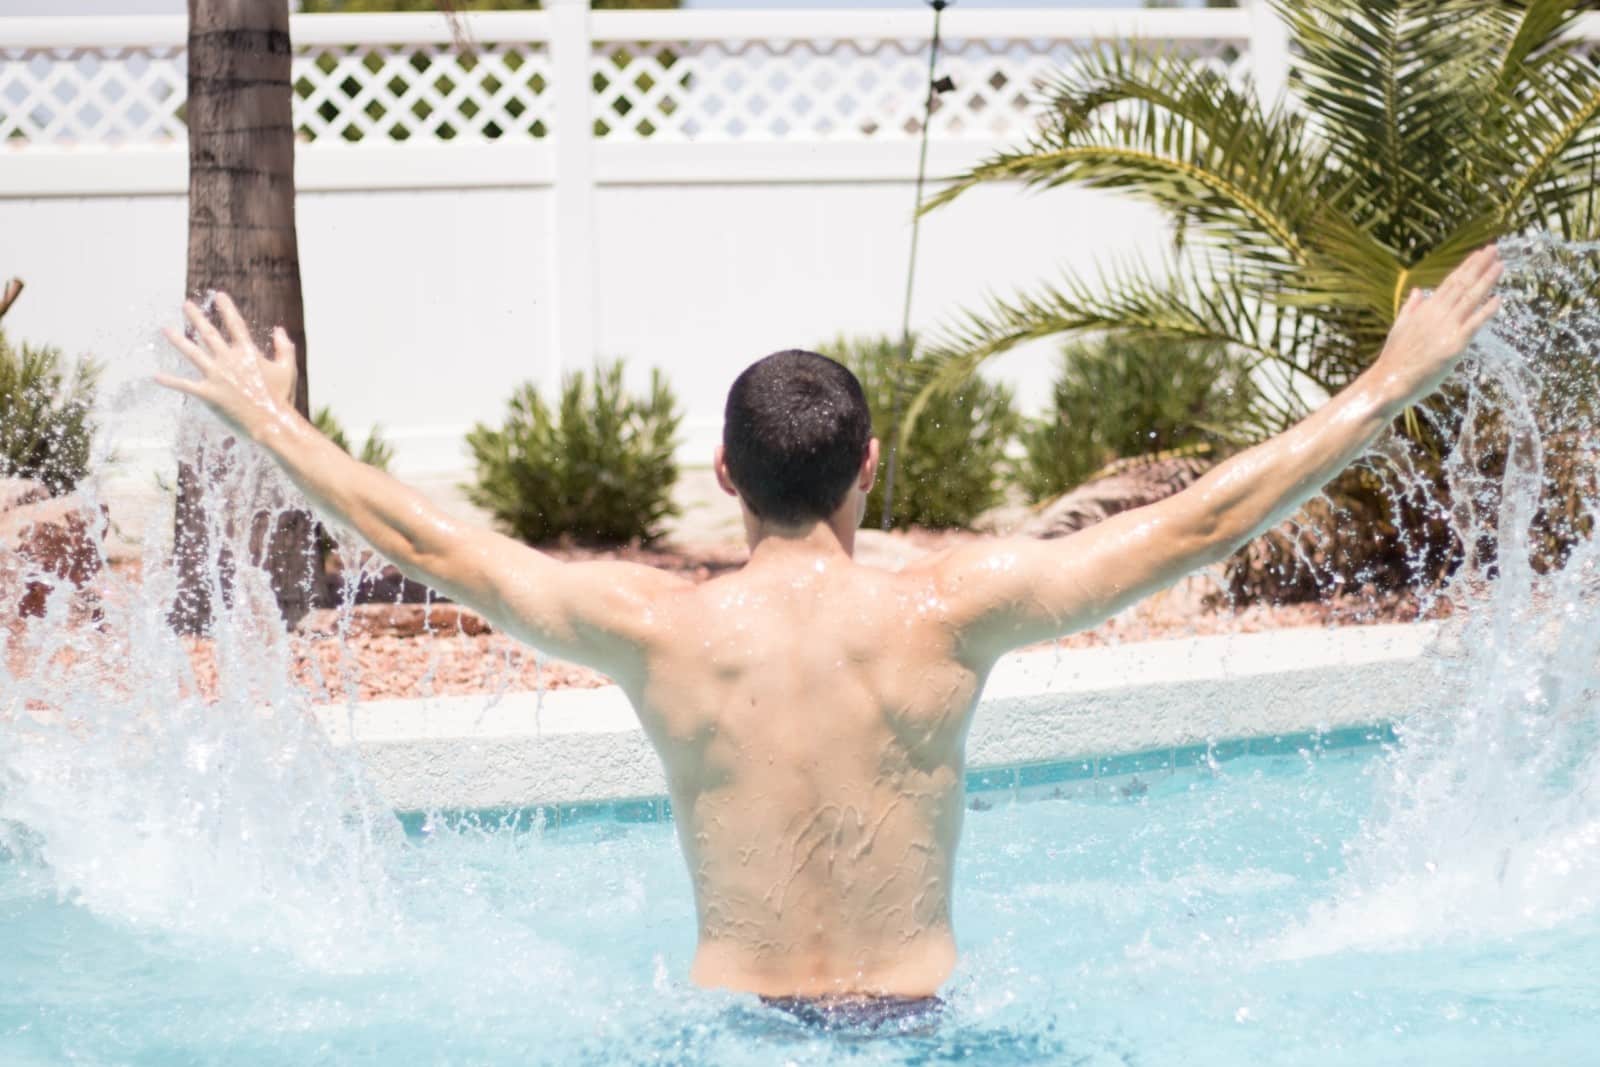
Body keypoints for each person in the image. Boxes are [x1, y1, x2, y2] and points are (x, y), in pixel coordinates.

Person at [156, 246, 1503, 1026]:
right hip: (929, 1036)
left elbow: (437, 543)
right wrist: (1392, 376)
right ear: (871, 465)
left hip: (726, 1039)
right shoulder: (954, 611)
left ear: (726, 479)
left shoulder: (655, 630)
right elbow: (1194, 525)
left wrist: (271, 424)